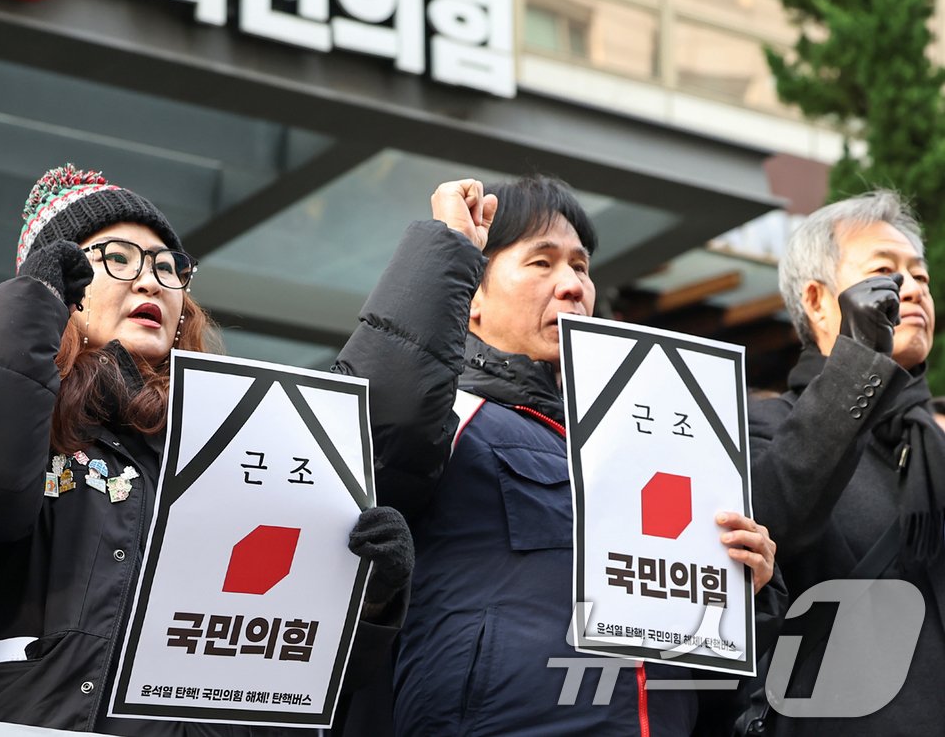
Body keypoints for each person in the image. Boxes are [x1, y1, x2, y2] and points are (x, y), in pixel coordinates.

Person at [0, 163, 485, 733]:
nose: (150, 280)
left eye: (168, 267)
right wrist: (26, 312)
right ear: (59, 284)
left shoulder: (229, 437)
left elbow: (293, 667)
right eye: (117, 258)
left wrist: (365, 595)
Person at [361, 175, 780, 735]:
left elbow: (714, 683)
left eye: (581, 267)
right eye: (541, 263)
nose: (571, 286)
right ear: (474, 299)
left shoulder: (646, 446)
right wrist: (448, 250)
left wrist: (747, 591)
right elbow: (385, 430)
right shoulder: (452, 416)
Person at [748, 190, 945, 733]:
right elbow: (773, 519)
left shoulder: (932, 444)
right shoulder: (766, 425)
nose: (915, 289)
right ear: (817, 300)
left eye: (922, 276)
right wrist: (861, 362)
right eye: (887, 271)